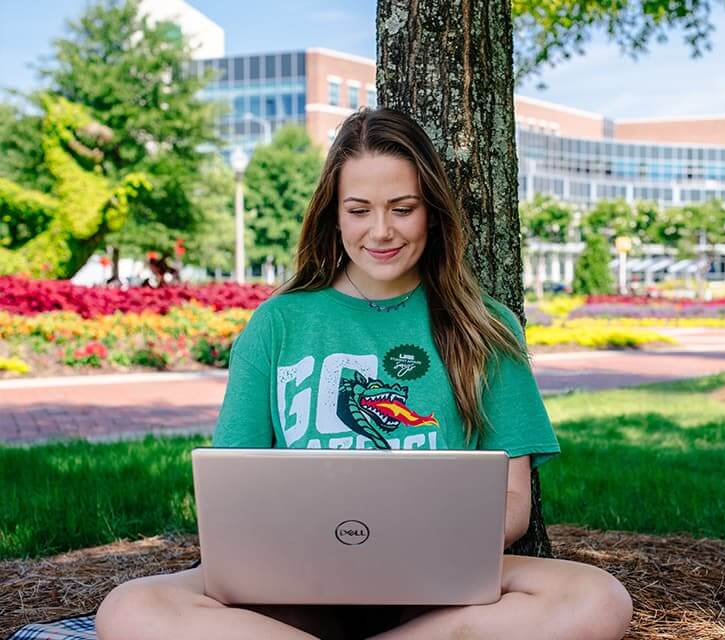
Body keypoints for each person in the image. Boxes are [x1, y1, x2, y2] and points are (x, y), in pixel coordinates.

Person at [96, 107, 633, 640]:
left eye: (403, 208)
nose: (381, 231)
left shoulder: (485, 326)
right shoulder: (278, 322)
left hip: (436, 587)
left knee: (596, 599)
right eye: (359, 210)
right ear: (333, 214)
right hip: (293, 584)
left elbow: (514, 502)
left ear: (432, 213)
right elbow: (231, 494)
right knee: (129, 609)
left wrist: (418, 548)